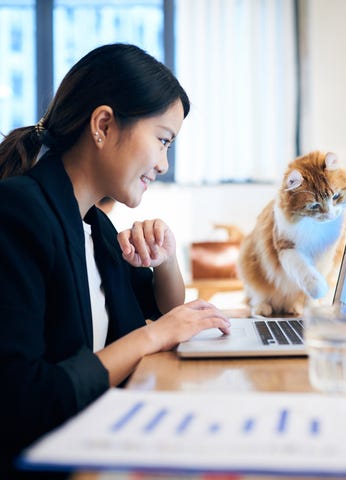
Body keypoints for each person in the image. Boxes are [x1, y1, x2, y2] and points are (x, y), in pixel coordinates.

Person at [0, 43, 230, 479]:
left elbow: (164, 307)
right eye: (163, 141)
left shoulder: (95, 225)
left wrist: (164, 260)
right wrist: (152, 337)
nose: (163, 164)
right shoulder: (19, 212)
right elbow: (22, 400)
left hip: (104, 441)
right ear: (103, 124)